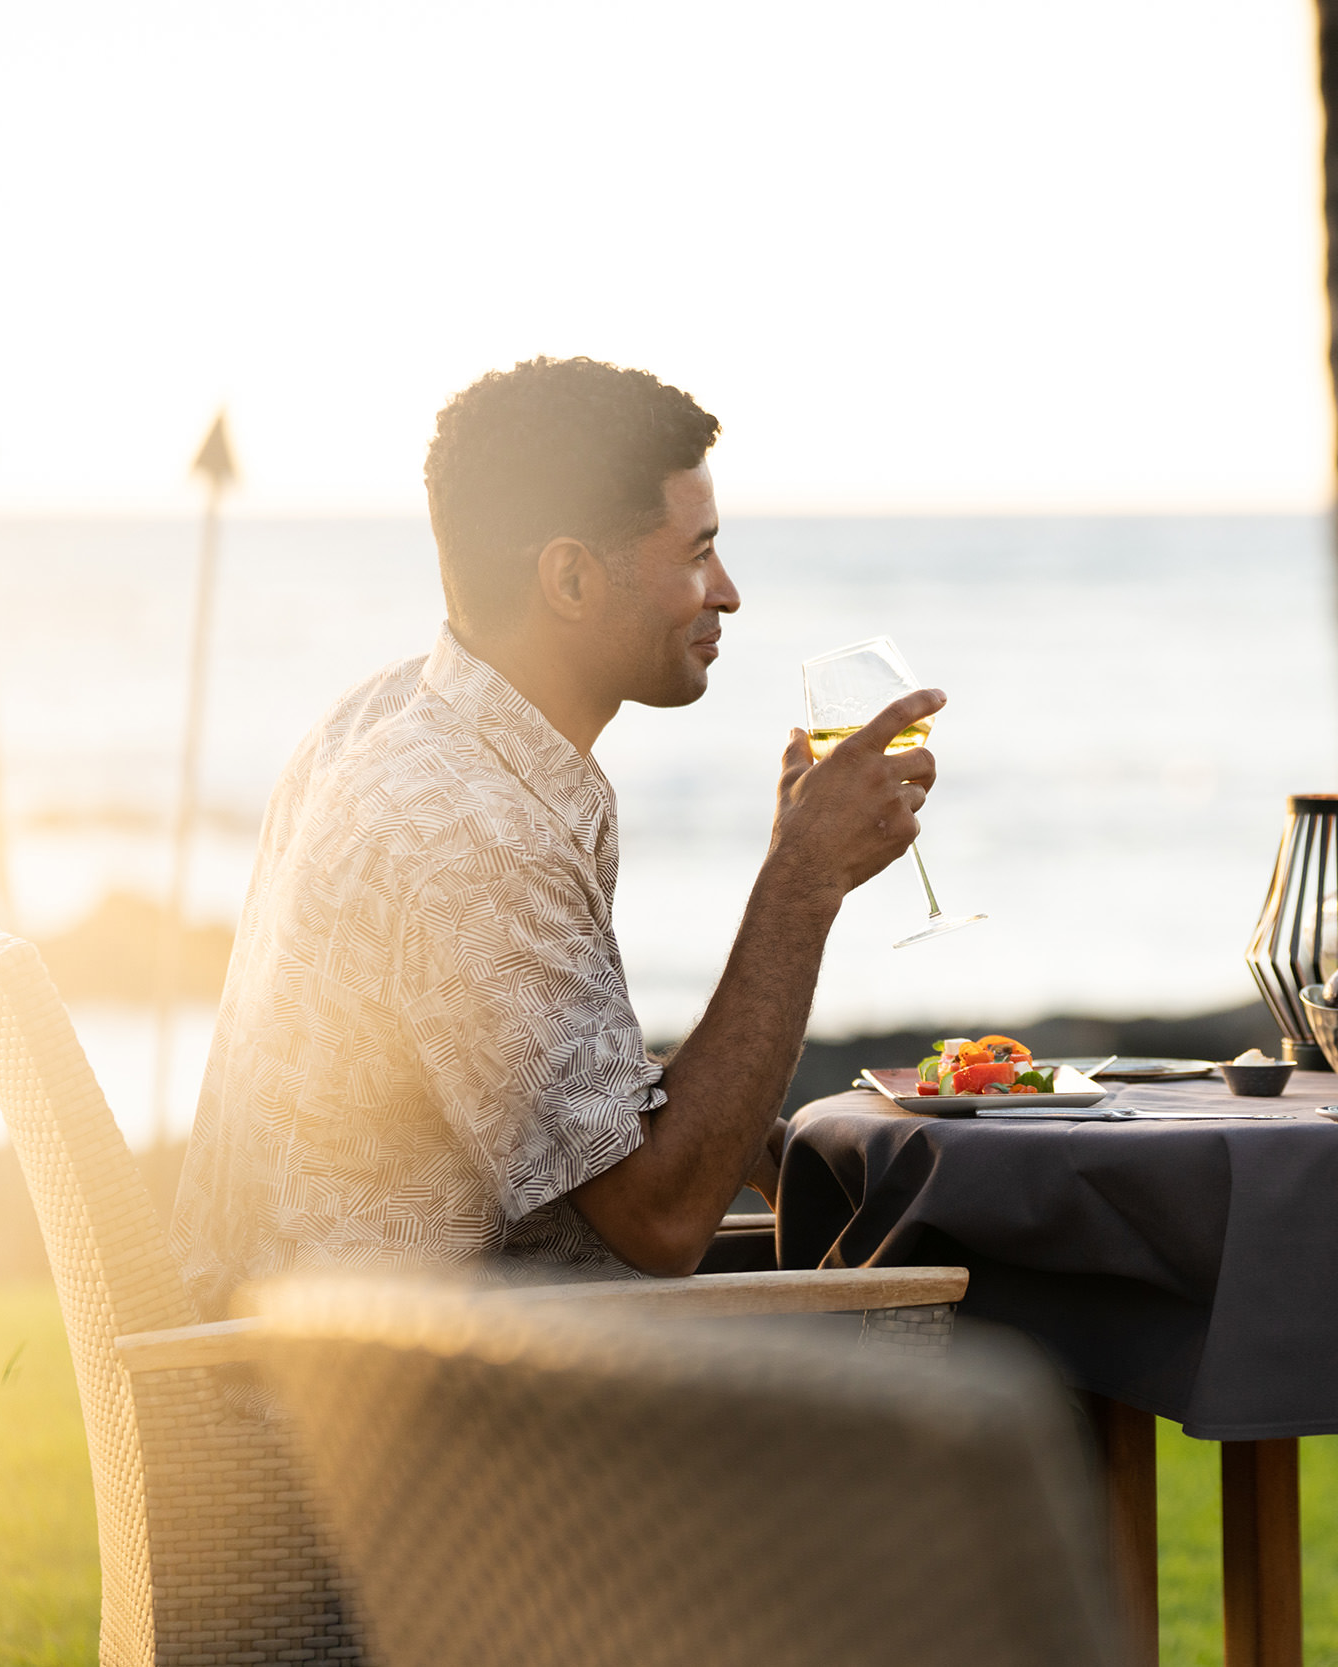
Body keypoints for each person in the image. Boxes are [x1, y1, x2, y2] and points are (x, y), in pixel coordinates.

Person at [172, 356, 940, 1318]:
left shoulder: (393, 723)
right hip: (410, 1417)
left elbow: (526, 1062)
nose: (730, 593)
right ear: (571, 576)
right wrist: (804, 878)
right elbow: (659, 1220)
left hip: (400, 1348)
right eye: (698, 553)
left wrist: (761, 1145)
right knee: (997, 1337)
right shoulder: (467, 832)